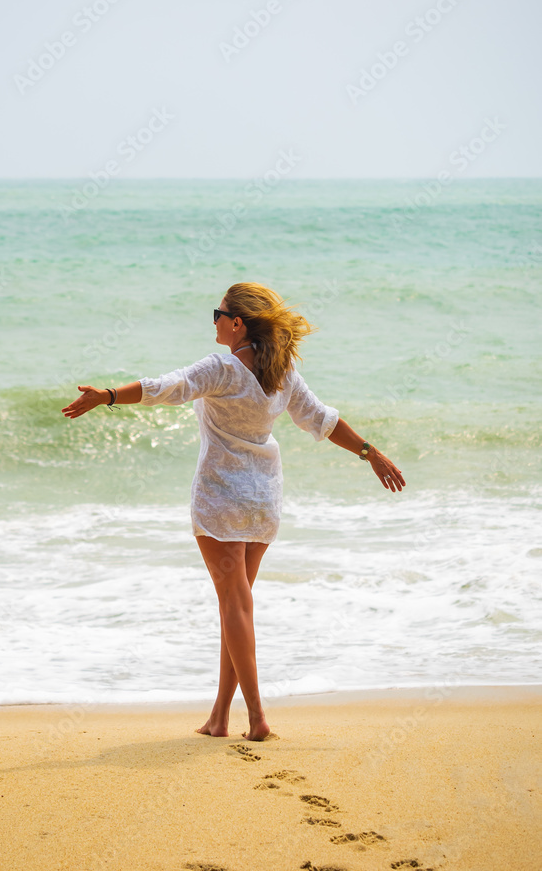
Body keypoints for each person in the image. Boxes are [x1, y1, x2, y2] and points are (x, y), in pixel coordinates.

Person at [62, 282, 406, 742]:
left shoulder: (222, 368)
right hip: (262, 502)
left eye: (218, 314)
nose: (215, 322)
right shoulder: (280, 372)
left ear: (238, 323)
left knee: (234, 606)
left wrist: (106, 395)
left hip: (221, 500)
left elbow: (166, 387)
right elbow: (322, 420)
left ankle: (258, 717)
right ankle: (220, 716)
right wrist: (370, 452)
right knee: (236, 607)